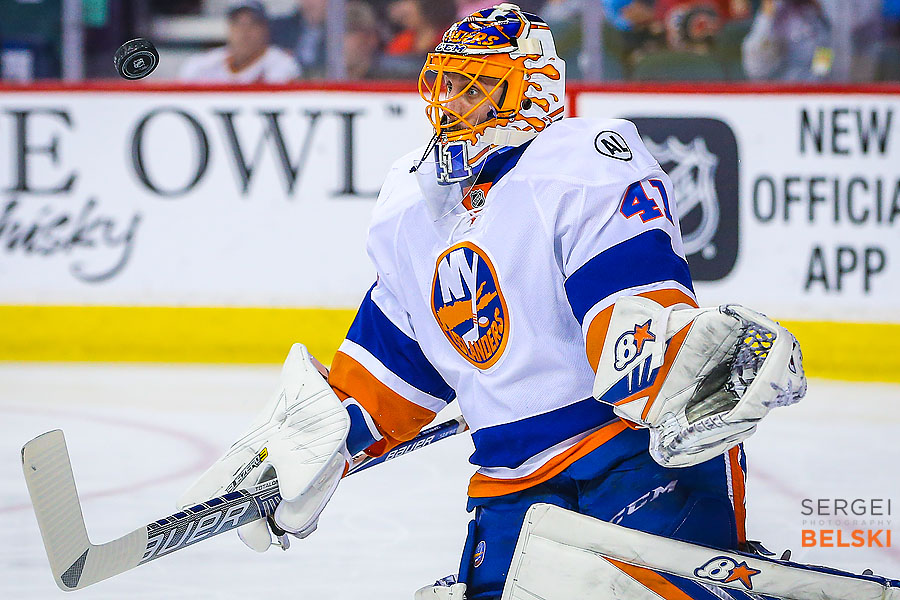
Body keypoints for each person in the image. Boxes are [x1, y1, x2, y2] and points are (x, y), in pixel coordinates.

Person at [179, 4, 820, 599]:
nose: (453, 103)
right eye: (448, 84)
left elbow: (625, 302)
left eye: (475, 85)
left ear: (533, 88)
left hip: (629, 456)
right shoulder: (413, 203)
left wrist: (681, 361)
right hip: (508, 484)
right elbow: (393, 365)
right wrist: (313, 445)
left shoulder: (581, 164)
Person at [179, 0, 301, 84]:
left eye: (252, 24)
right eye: (238, 24)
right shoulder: (202, 65)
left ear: (265, 29)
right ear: (230, 28)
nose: (245, 31)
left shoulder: (282, 64)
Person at [742, 0, 832, 81]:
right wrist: (767, 14)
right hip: (779, 93)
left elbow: (825, 63)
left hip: (814, 92)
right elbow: (755, 69)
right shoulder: (770, 16)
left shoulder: (819, 16)